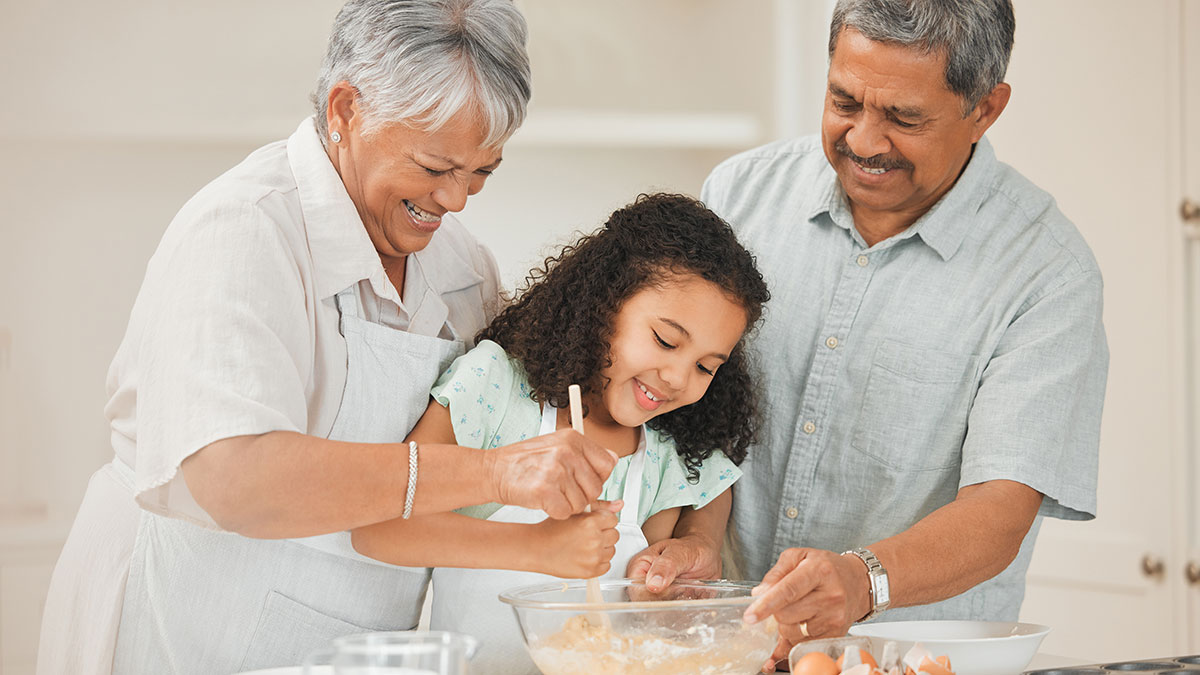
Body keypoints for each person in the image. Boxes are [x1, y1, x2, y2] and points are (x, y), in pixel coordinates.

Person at [37, 2, 623, 674]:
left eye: (481, 172)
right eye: (435, 168)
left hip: (358, 641)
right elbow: (235, 478)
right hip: (186, 618)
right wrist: (495, 473)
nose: (458, 199)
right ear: (345, 111)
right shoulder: (243, 231)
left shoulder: (464, 268)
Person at [628, 0, 1108, 669]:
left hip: (910, 658)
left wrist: (864, 579)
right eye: (843, 100)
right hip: (726, 651)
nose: (864, 140)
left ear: (986, 108)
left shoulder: (1046, 272)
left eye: (904, 118)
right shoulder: (741, 195)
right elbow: (704, 421)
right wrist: (698, 541)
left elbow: (1000, 509)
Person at [350, 192, 770, 673]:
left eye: (705, 367)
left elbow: (707, 500)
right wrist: (538, 549)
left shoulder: (664, 456)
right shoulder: (497, 391)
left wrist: (695, 546)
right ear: (603, 304)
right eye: (665, 340)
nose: (678, 377)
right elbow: (378, 527)